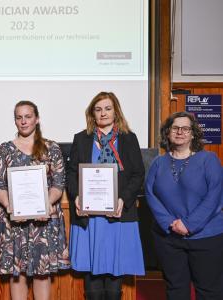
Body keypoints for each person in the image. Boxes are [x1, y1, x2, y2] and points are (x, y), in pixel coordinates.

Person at [66, 92, 145, 300]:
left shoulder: (128, 138)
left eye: (108, 108)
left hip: (118, 215)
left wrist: (123, 199)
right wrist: (75, 196)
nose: (103, 113)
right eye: (98, 109)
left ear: (116, 111)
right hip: (89, 217)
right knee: (92, 275)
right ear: (92, 113)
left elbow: (138, 174)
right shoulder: (81, 139)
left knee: (113, 275)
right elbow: (71, 173)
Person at [0, 101, 70, 300]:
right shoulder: (5, 149)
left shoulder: (51, 148)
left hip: (43, 220)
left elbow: (58, 184)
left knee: (42, 273)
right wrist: (10, 206)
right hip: (13, 221)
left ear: (37, 119)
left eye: (28, 116)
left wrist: (46, 204)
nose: (23, 121)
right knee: (17, 275)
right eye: (19, 117)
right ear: (15, 121)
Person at [145, 111, 223, 300]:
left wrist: (188, 224)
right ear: (168, 132)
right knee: (175, 290)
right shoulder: (158, 163)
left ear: (193, 133)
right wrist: (171, 223)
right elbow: (150, 194)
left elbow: (215, 196)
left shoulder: (209, 160)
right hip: (168, 238)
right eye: (175, 128)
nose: (180, 132)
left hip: (206, 237)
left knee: (209, 291)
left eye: (185, 128)